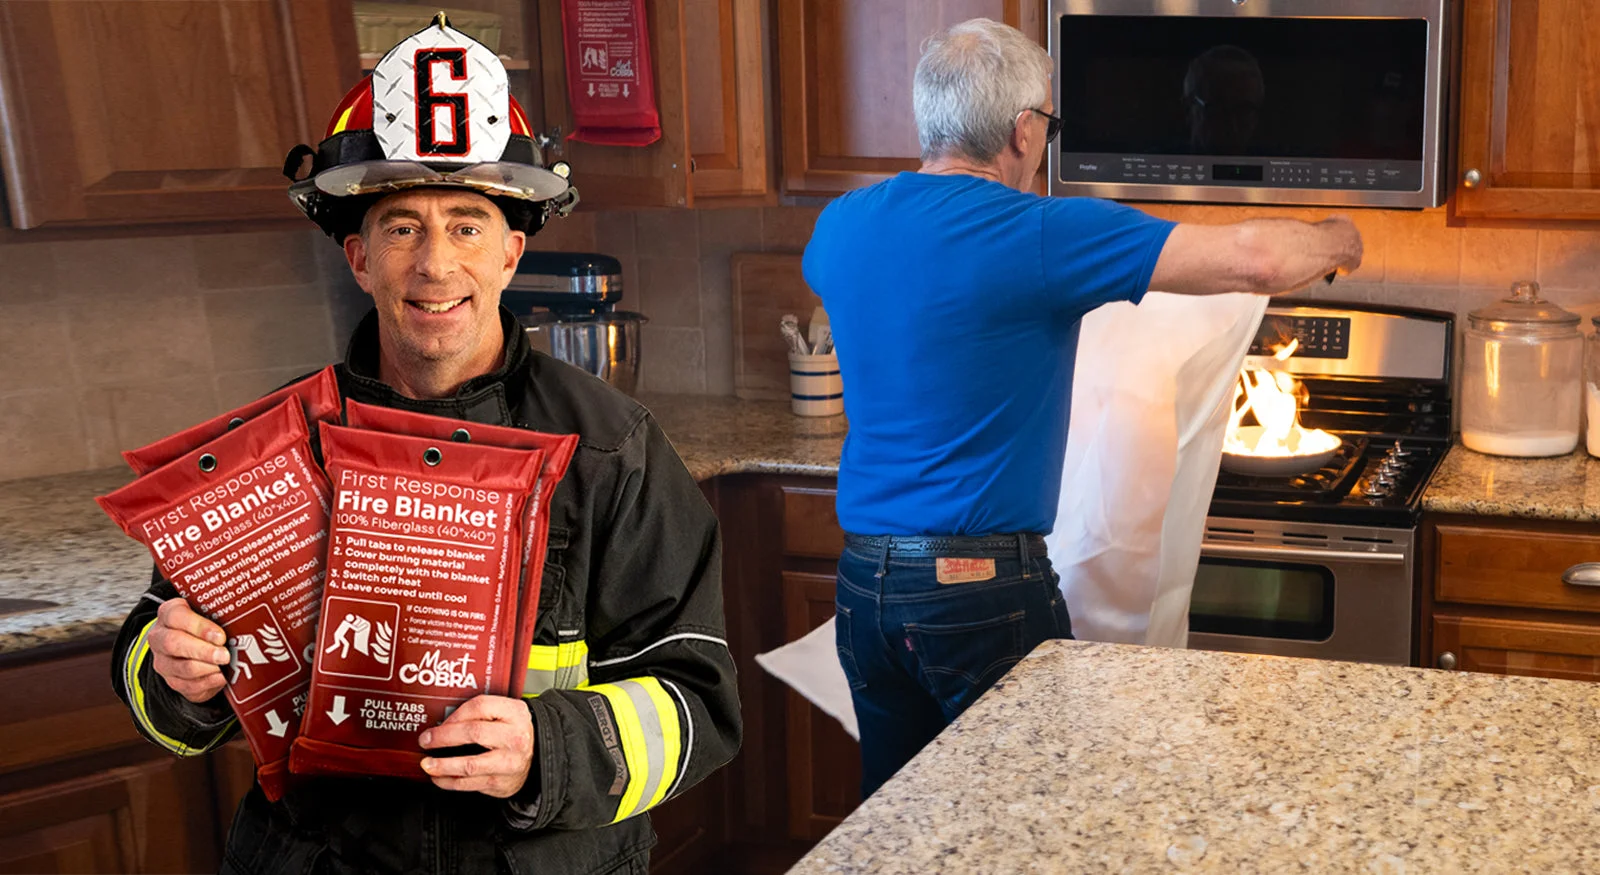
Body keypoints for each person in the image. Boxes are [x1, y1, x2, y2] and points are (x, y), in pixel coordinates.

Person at [109, 17, 739, 874]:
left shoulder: (610, 450)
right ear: (359, 258)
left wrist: (550, 748)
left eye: (467, 225)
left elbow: (697, 698)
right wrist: (175, 674)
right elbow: (161, 666)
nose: (435, 266)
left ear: (512, 253)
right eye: (403, 227)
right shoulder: (266, 453)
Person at [801, 17, 1361, 798]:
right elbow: (1257, 259)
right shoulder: (1036, 233)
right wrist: (1337, 236)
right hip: (980, 590)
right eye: (1049, 125)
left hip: (866, 587)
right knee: (1039, 824)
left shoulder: (840, 225)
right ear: (1024, 131)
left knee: (904, 827)